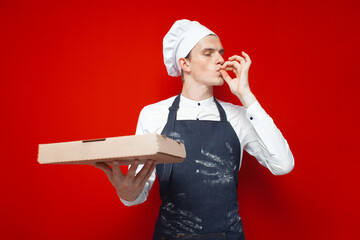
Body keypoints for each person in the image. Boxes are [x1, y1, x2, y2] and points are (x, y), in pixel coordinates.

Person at [95, 19, 294, 240]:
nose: (220, 59)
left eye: (220, 52)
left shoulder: (238, 115)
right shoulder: (153, 115)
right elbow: (137, 192)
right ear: (185, 63)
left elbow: (283, 165)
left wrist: (246, 96)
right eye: (208, 53)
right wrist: (127, 194)